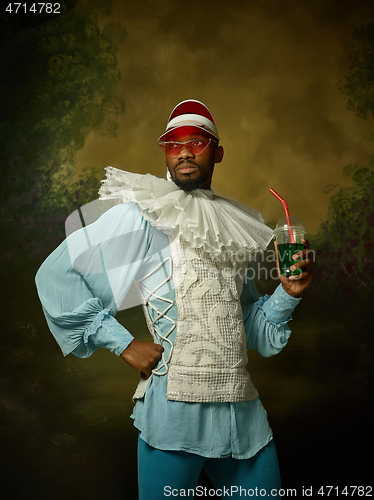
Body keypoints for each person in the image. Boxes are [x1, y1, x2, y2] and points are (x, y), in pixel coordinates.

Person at [35, 99, 314, 499]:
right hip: (172, 419)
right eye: (173, 143)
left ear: (217, 152)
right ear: (165, 153)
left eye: (197, 142)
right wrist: (122, 342)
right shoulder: (144, 215)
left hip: (242, 418)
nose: (184, 150)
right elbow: (56, 274)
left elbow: (247, 325)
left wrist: (288, 294)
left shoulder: (236, 223)